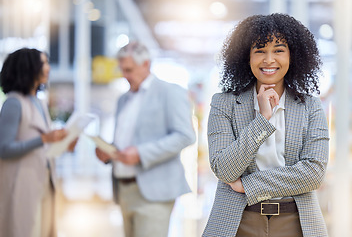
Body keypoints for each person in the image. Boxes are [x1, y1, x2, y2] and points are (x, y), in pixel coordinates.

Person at [203, 13, 329, 237]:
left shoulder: (310, 107)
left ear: (293, 56)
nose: (269, 60)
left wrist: (249, 185)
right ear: (245, 57)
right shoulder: (223, 104)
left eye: (278, 50)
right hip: (237, 221)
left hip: (296, 222)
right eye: (259, 50)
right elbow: (224, 169)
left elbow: (313, 174)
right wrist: (262, 120)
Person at [95, 41, 196, 237]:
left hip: (154, 191)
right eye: (122, 69)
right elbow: (126, 142)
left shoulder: (170, 92)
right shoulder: (123, 100)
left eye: (129, 69)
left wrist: (141, 154)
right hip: (124, 189)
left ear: (146, 65)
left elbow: (185, 136)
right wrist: (109, 152)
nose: (125, 75)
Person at [0, 48, 76, 237]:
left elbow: (44, 147)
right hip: (21, 186)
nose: (48, 68)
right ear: (28, 67)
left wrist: (64, 144)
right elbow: (3, 149)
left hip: (44, 182)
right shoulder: (13, 103)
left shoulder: (38, 102)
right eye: (44, 63)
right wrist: (43, 139)